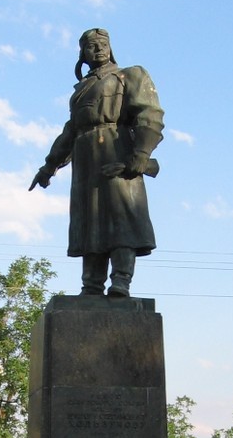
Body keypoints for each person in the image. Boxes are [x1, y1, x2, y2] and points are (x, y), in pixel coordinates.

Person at [29, 28, 164, 297]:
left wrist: (140, 155)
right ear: (83, 54)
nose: (99, 49)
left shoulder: (129, 75)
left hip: (116, 150)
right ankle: (91, 285)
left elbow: (150, 114)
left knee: (121, 217)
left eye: (103, 43)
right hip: (85, 160)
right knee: (90, 222)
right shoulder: (81, 90)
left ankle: (121, 281)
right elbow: (70, 132)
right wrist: (49, 167)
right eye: (91, 46)